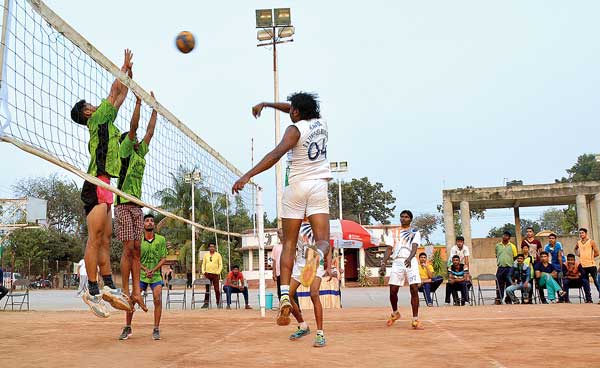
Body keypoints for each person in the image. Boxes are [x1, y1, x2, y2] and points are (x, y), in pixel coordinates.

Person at [232, 92, 332, 326]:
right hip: (319, 186)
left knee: (288, 242)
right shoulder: (322, 124)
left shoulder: (293, 130)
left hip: (296, 187)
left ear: (296, 112)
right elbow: (293, 108)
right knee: (323, 241)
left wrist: (247, 175)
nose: (290, 112)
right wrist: (267, 104)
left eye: (292, 110)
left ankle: (285, 295)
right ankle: (316, 254)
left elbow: (276, 154)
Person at [71, 49, 133, 318]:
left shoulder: (105, 118)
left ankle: (108, 286)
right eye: (90, 106)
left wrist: (129, 77)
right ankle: (91, 290)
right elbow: (112, 93)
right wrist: (122, 67)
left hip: (107, 184)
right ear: (86, 113)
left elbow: (119, 98)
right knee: (95, 239)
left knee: (106, 238)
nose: (95, 105)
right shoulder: (96, 118)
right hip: (95, 181)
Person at [115, 90, 157, 312]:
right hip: (122, 203)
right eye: (133, 140)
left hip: (136, 205)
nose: (138, 141)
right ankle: (124, 290)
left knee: (138, 247)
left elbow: (149, 132)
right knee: (129, 248)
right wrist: (138, 104)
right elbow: (134, 128)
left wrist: (155, 110)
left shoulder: (141, 153)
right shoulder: (125, 151)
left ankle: (137, 292)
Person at [119, 213, 167, 341]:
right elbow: (134, 258)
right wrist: (145, 269)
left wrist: (153, 270)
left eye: (152, 221)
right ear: (143, 224)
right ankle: (128, 327)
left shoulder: (161, 239)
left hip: (155, 275)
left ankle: (156, 329)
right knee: (132, 300)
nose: (150, 222)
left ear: (154, 224)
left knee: (157, 298)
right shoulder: (137, 240)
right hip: (140, 275)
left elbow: (163, 258)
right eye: (147, 221)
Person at [288, 224, 331, 348]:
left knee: (314, 294)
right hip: (300, 264)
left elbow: (327, 245)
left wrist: (328, 267)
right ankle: (303, 326)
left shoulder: (319, 221)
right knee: (286, 295)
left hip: (316, 262)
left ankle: (320, 334)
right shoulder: (296, 223)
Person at [380, 210, 424, 330]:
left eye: (406, 217)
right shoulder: (393, 232)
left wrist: (410, 258)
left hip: (411, 261)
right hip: (397, 262)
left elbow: (414, 247)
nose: (403, 218)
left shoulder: (415, 232)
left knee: (414, 288)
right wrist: (383, 263)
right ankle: (395, 313)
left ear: (410, 219)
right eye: (402, 217)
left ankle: (415, 320)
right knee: (393, 290)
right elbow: (389, 249)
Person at [574, 228, 600, 301]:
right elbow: (575, 249)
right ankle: (588, 298)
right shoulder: (578, 242)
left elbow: (597, 253)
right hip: (582, 265)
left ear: (586, 233)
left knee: (596, 281)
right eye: (580, 233)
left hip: (591, 265)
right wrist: (579, 254)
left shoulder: (591, 242)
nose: (581, 234)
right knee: (585, 282)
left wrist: (590, 257)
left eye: (582, 233)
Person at [495, 231, 517, 304]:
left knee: (509, 284)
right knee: (499, 284)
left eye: (507, 236)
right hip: (500, 268)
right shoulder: (497, 246)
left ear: (509, 238)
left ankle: (508, 299)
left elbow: (515, 257)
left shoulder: (512, 246)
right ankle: (499, 299)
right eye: (504, 235)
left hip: (509, 268)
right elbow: (496, 255)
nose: (505, 237)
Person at [201, 243, 223, 308]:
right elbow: (203, 264)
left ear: (215, 248)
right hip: (207, 274)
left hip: (215, 274)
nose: (212, 248)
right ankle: (206, 303)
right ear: (208, 248)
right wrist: (203, 272)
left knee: (216, 289)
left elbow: (220, 264)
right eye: (210, 247)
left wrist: (218, 272)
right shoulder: (206, 255)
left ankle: (218, 303)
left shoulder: (218, 255)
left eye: (213, 247)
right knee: (207, 289)